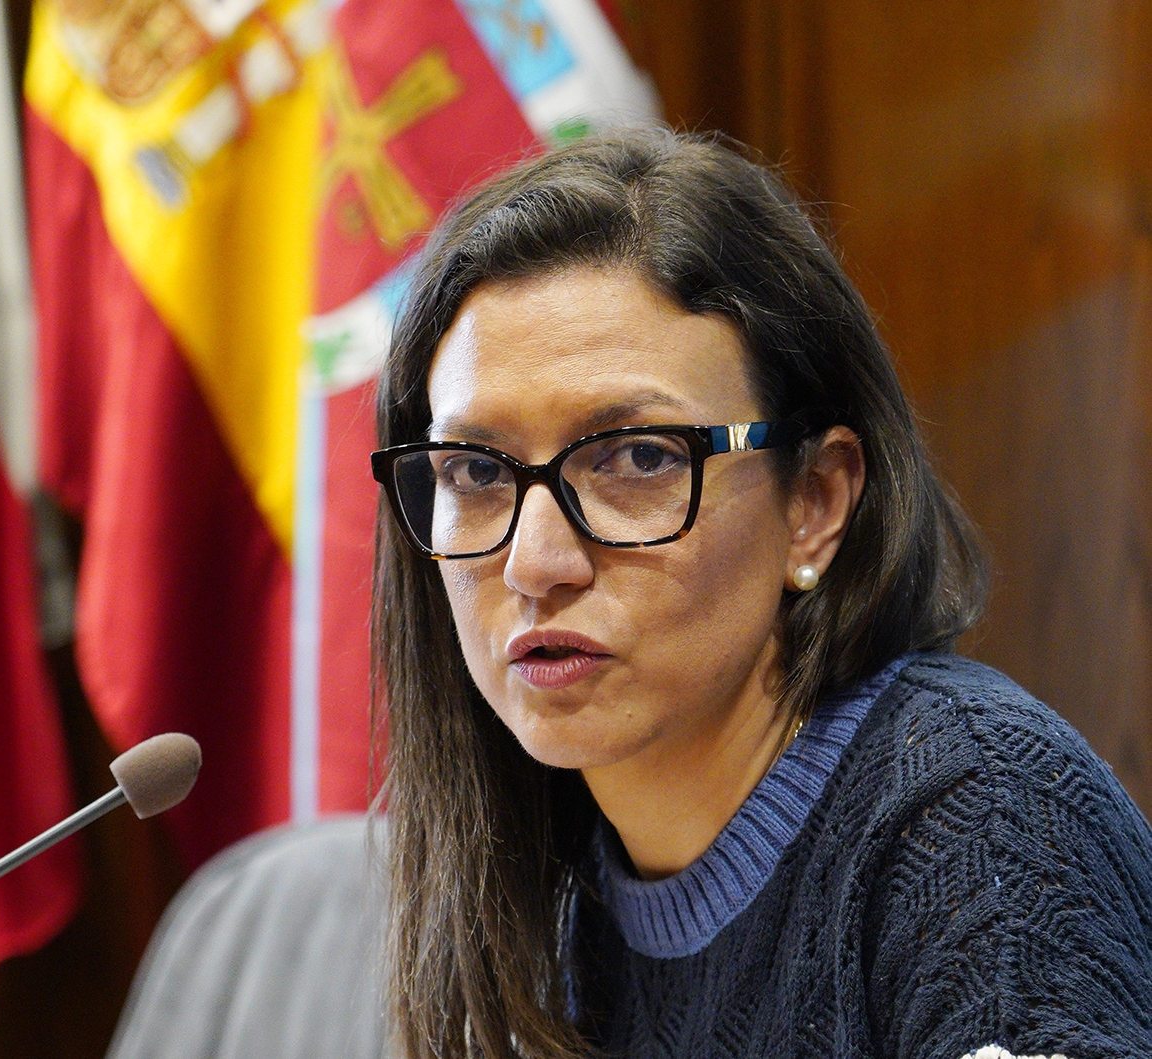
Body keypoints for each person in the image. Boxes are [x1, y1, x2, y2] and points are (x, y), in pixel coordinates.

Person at [368, 130, 1152, 1059]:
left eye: (638, 458)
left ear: (814, 503)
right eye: (472, 471)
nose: (537, 562)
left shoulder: (981, 821)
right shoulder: (551, 892)